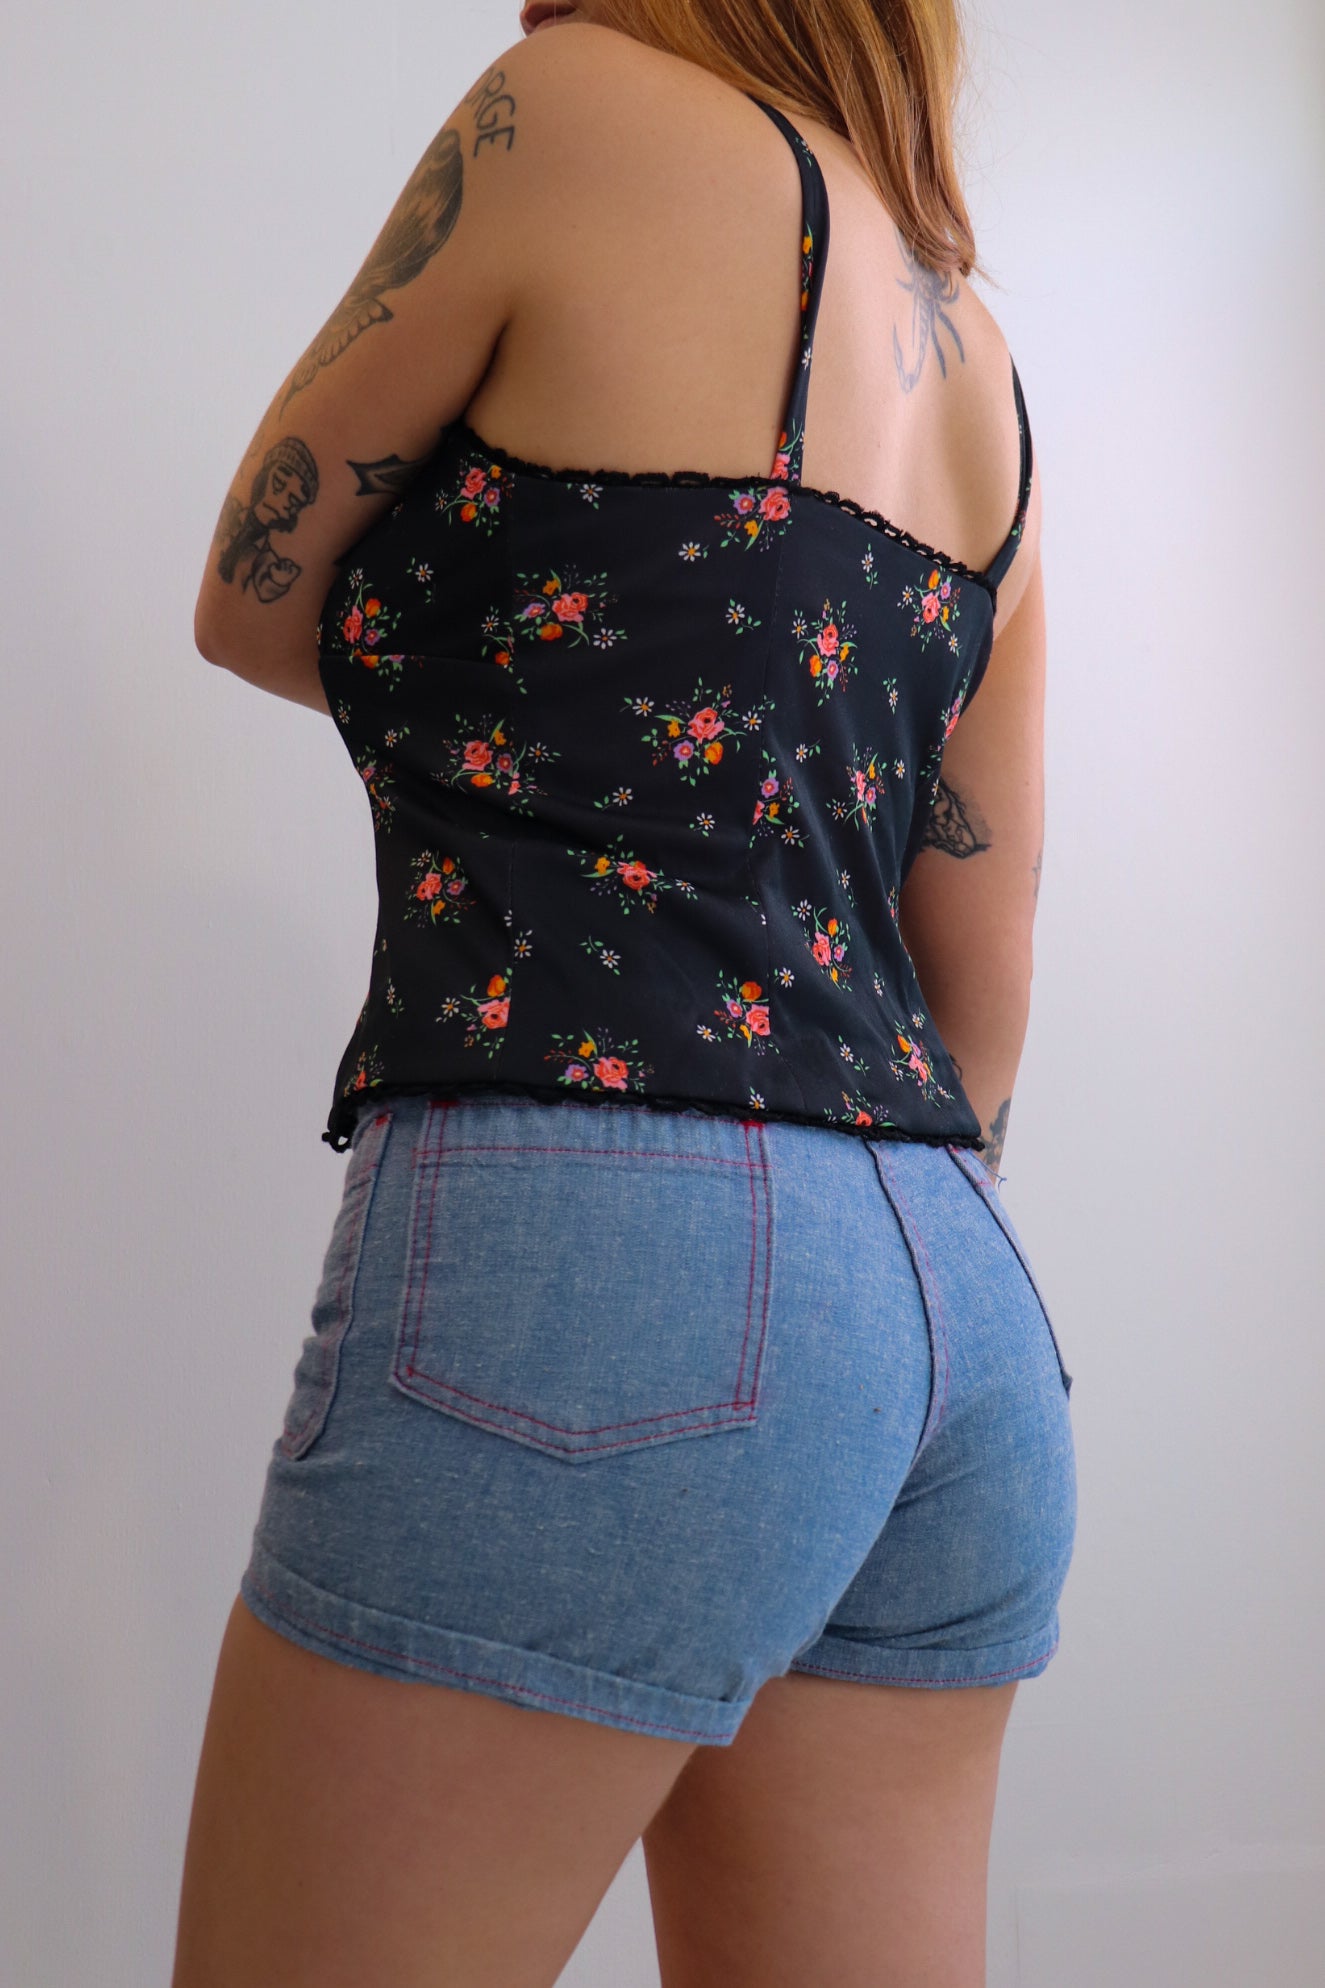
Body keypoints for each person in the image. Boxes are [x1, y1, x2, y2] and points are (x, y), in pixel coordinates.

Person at [180, 2, 1077, 1982]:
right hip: (950, 1307)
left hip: (613, 1225)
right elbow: (984, 975)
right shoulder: (989, 366)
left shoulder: (571, 106)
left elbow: (250, 591)